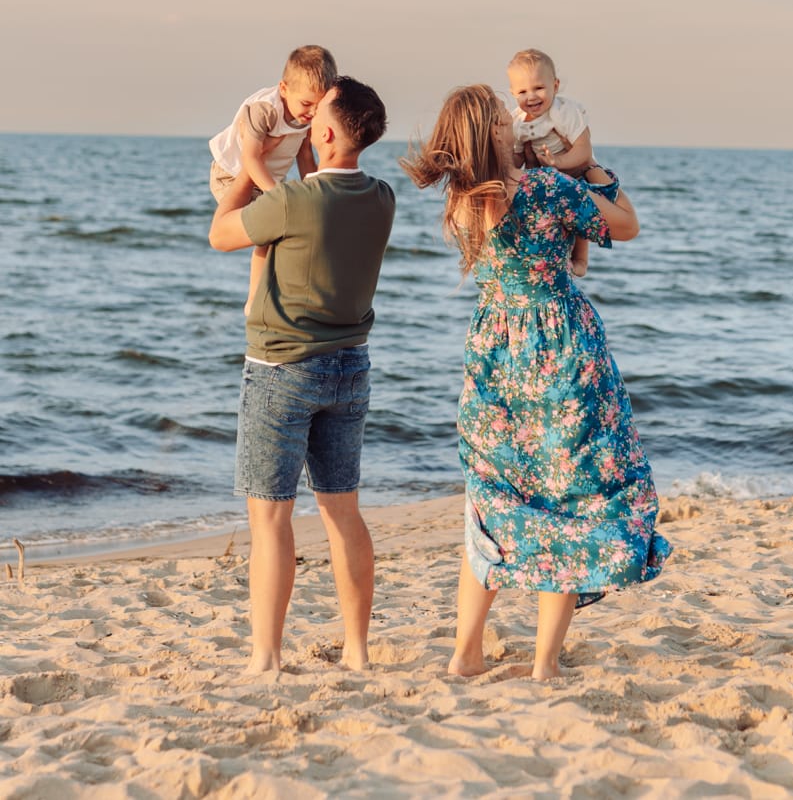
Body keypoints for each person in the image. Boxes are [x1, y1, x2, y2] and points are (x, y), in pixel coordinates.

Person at [402, 84, 671, 682]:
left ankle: (465, 653)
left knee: (492, 502)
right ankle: (545, 663)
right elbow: (626, 226)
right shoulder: (551, 189)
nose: (517, 124)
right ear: (496, 133)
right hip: (563, 349)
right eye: (506, 120)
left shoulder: (464, 199)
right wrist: (594, 169)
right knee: (570, 498)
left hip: (495, 353)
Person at [209, 77, 396, 674]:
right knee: (343, 512)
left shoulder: (293, 203)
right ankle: (358, 651)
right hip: (350, 368)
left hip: (280, 369)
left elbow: (221, 233)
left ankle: (266, 655)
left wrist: (250, 160)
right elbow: (320, 189)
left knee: (270, 518)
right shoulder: (382, 197)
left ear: (328, 130)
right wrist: (293, 163)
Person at [209, 45, 338, 314]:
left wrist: (317, 192)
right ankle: (254, 299)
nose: (313, 112)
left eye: (319, 105)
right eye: (306, 104)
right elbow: (252, 158)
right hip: (230, 174)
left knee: (279, 230)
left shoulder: (307, 116)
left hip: (266, 182)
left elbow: (305, 156)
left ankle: (274, 292)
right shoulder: (263, 111)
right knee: (268, 229)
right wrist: (277, 194)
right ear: (283, 88)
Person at [508, 47, 595, 278]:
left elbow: (584, 151)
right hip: (541, 179)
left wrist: (558, 161)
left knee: (579, 212)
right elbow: (517, 157)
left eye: (539, 88)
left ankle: (580, 260)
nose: (531, 97)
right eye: (523, 91)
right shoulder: (516, 121)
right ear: (513, 93)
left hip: (573, 172)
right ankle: (551, 259)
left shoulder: (564, 112)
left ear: (555, 86)